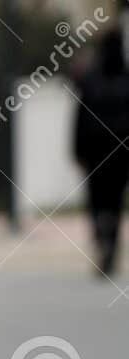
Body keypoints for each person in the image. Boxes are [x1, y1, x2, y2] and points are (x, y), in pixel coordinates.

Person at [74, 20, 129, 276]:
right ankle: (109, 243)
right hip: (119, 153)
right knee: (114, 202)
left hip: (96, 152)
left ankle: (102, 239)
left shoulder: (90, 80)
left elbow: (79, 120)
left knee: (98, 200)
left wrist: (77, 150)